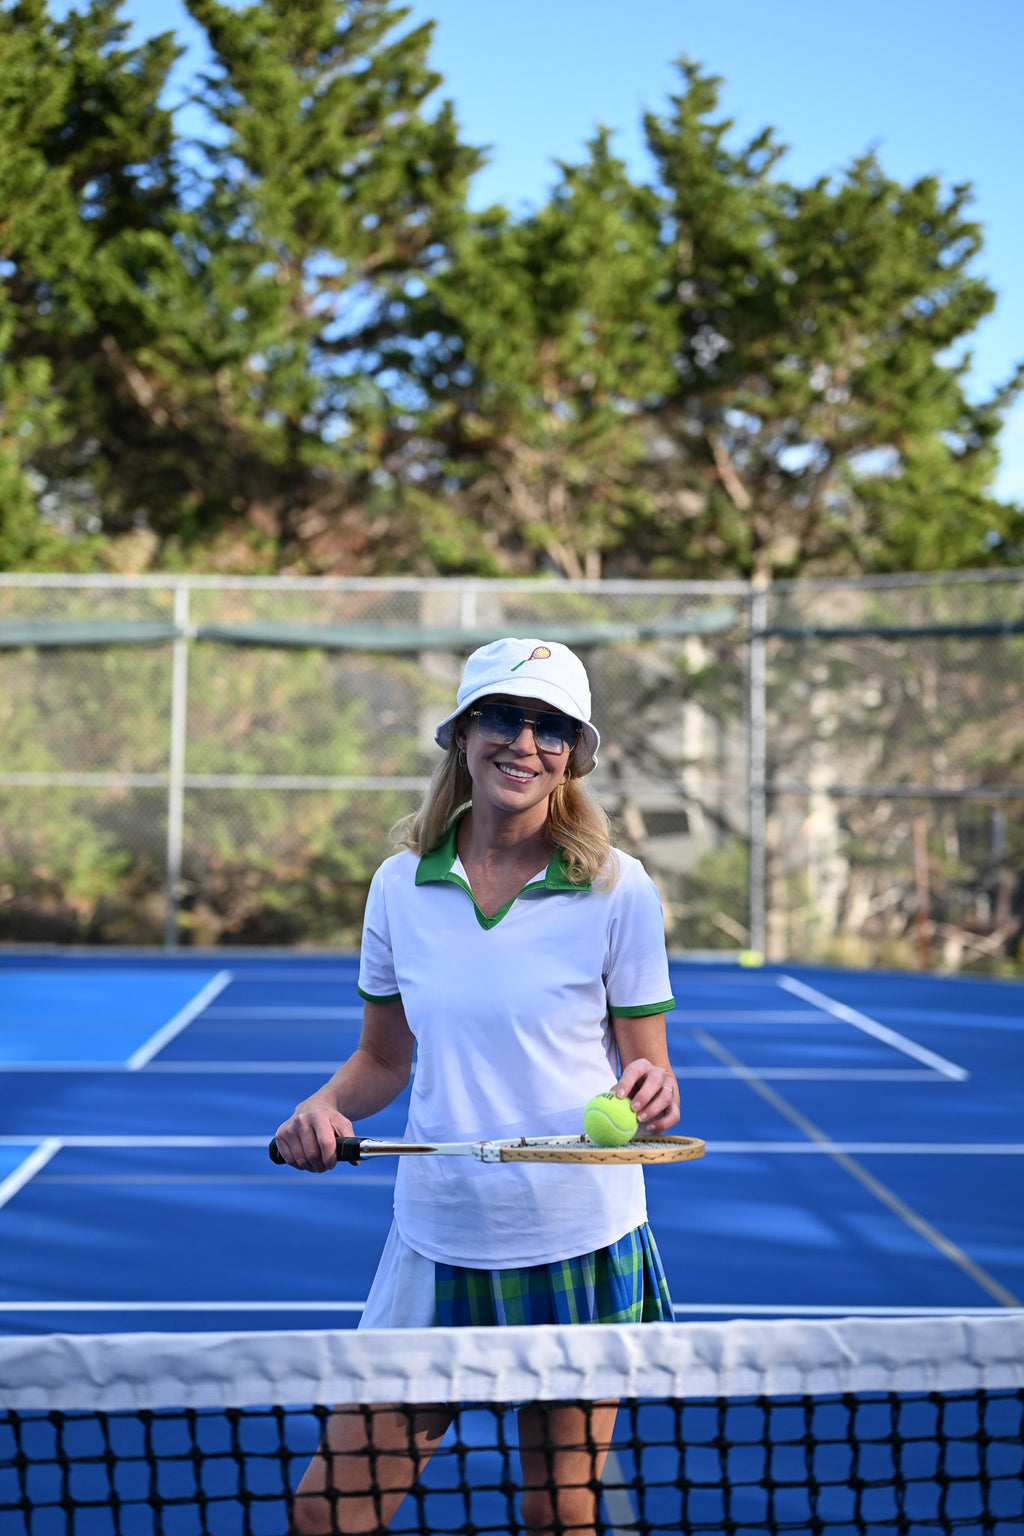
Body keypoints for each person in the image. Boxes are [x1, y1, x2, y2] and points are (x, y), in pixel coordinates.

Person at [274, 636, 680, 1536]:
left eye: (550, 727)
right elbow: (383, 1059)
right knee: (325, 1512)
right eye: (502, 717)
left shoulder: (620, 889)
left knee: (556, 1512)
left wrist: (652, 1087)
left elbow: (649, 1067)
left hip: (579, 1234)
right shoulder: (397, 888)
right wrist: (325, 1107)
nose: (523, 744)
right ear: (461, 734)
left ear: (574, 752)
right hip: (439, 1233)